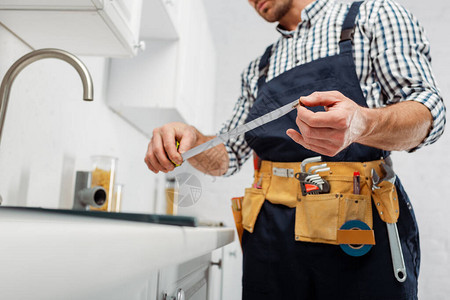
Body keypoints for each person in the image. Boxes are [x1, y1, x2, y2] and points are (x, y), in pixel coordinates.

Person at [145, 0, 446, 299]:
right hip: (269, 237)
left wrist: (363, 124)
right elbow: (228, 155)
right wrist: (194, 140)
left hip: (357, 225)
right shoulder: (258, 70)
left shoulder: (372, 15)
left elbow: (429, 112)